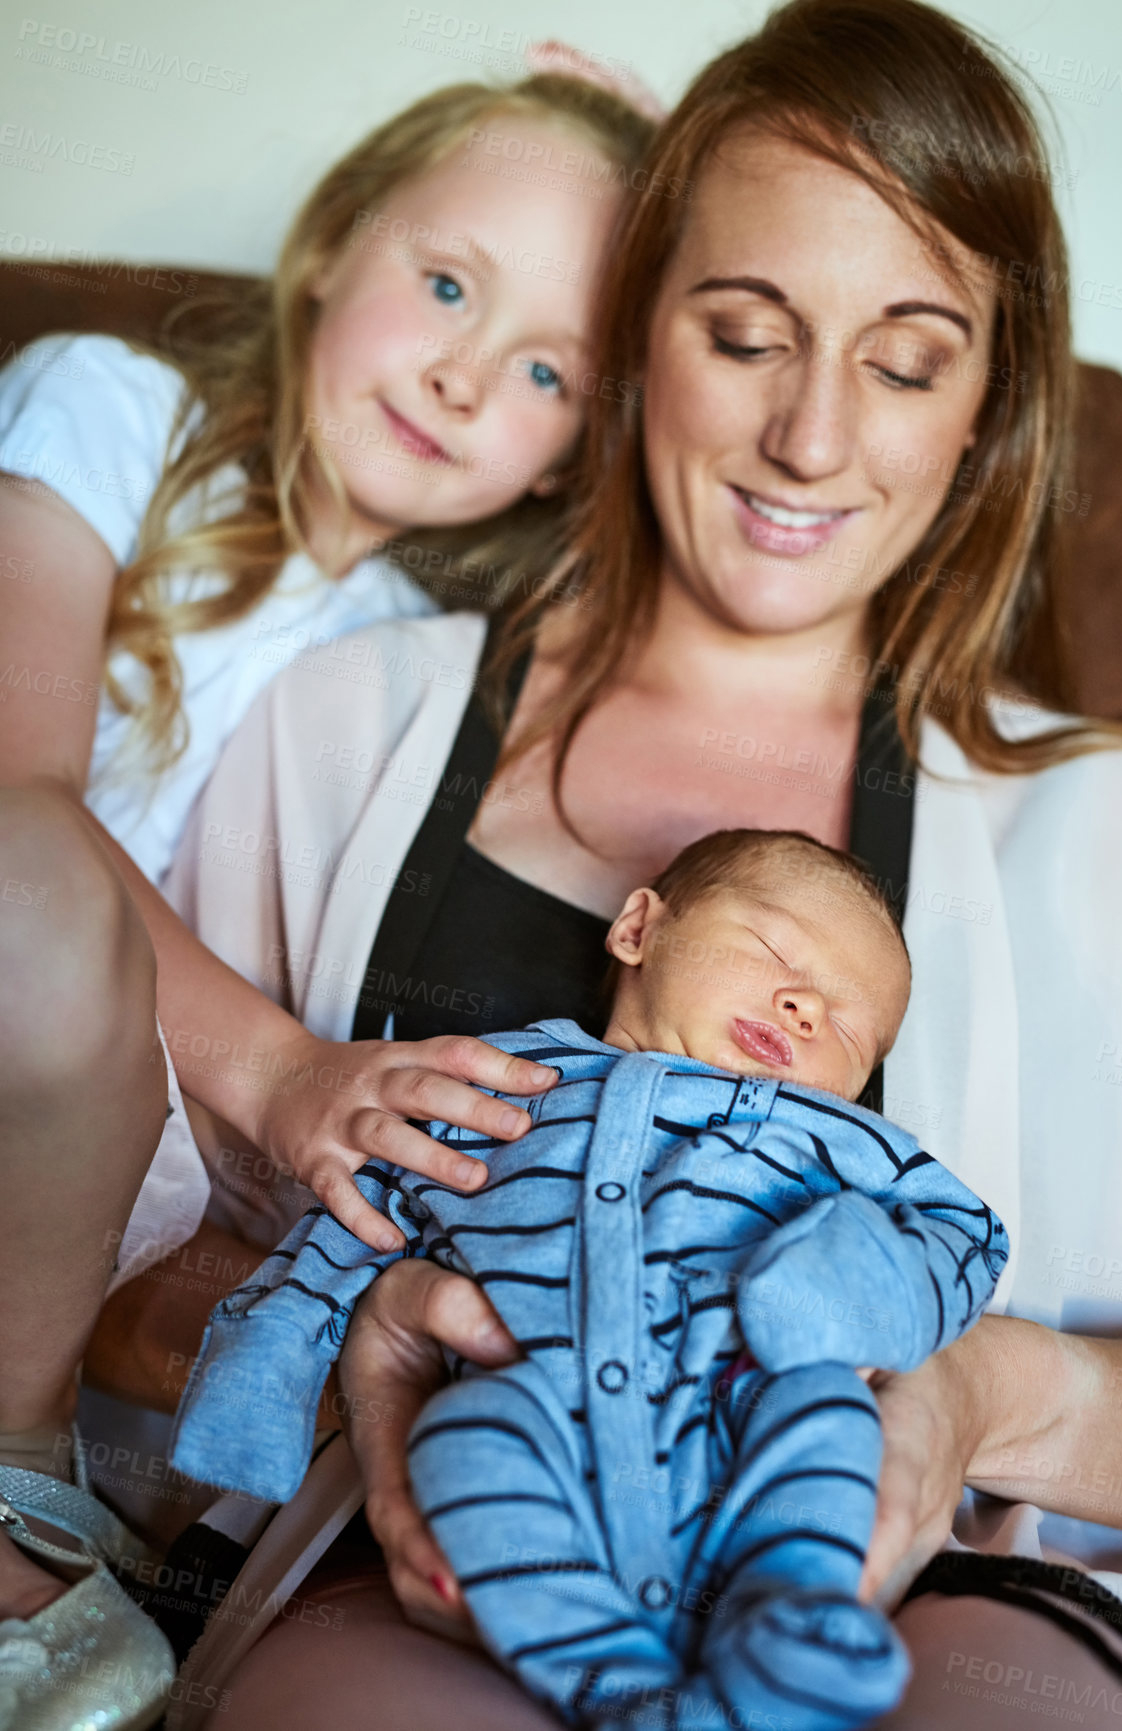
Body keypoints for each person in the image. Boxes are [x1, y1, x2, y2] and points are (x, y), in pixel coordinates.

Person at [156, 1, 1122, 1725]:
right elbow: (104, 1271)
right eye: (749, 335)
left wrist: (983, 1395)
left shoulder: (1120, 834)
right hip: (440, 1576)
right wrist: (368, 1367)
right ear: (636, 347)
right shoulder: (337, 729)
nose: (813, 441)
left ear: (991, 405)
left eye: (908, 361)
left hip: (930, 1604)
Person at [0, 66, 655, 1728]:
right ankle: (6, 1471)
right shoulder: (108, 407)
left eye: (545, 372)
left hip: (121, 1149)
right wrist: (286, 1069)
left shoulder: (412, 671)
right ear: (330, 247)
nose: (457, 370)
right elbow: (17, 798)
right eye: (447, 283)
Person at [172, 827, 1010, 1728]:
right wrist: (264, 1374)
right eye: (774, 950)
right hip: (538, 1409)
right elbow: (362, 1204)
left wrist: (848, 1289)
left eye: (852, 1026)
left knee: (827, 1422)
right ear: (638, 928)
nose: (807, 1007)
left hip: (739, 1412)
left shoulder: (844, 1146)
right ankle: (624, 1691)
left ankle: (789, 1614)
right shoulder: (497, 1083)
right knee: (465, 1445)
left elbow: (968, 1235)